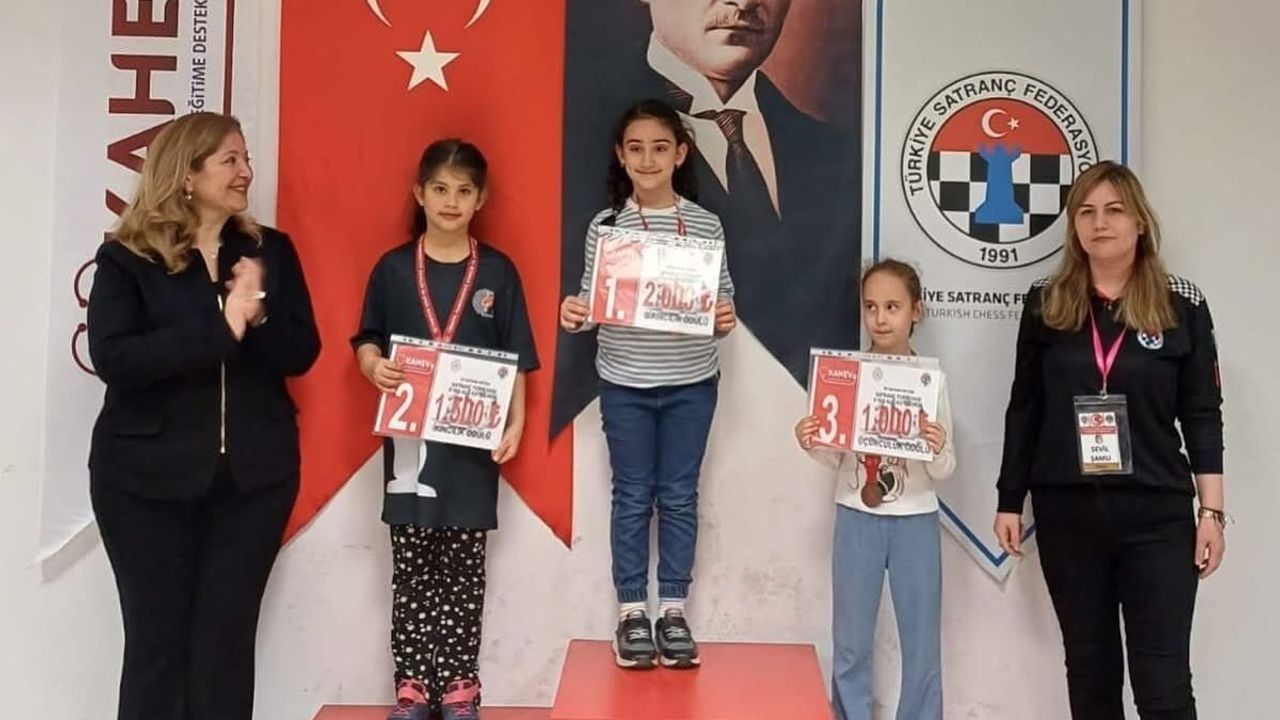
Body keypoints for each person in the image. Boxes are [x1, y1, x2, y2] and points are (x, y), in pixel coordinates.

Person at [86, 111, 320, 720]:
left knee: (225, 650)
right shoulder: (127, 257)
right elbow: (116, 358)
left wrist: (257, 314)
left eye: (246, 159)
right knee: (156, 649)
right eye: (230, 160)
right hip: (143, 483)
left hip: (253, 483)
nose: (246, 172)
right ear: (186, 176)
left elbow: (302, 352)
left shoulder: (270, 252)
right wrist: (221, 324)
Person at [553, 0, 860, 432]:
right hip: (630, 408)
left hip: (791, 440)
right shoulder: (567, 129)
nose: (744, 3)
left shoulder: (836, 155)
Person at [993, 161, 1226, 719]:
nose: (1100, 223)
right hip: (1068, 514)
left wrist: (1212, 513)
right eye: (1087, 212)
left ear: (1140, 222)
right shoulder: (1046, 302)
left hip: (1157, 517)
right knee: (1091, 676)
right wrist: (1009, 499)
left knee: (1163, 686)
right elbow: (1025, 408)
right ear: (1074, 226)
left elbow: (1202, 413)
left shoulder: (1182, 303)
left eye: (1115, 211)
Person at [352, 139, 539, 720]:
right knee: (411, 568)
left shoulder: (498, 272)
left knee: (463, 569)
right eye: (439, 189)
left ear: (480, 199)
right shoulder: (392, 268)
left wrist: (517, 422)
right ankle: (411, 684)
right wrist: (372, 365)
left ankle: (460, 684)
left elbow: (516, 356)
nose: (451, 201)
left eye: (463, 191)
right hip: (409, 445)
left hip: (471, 448)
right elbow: (366, 339)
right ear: (419, 194)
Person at [560, 99, 737, 670]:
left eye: (660, 148)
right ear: (621, 155)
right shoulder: (606, 226)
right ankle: (632, 611)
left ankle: (674, 610)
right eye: (635, 148)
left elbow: (722, 301)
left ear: (681, 154)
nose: (648, 159)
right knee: (633, 496)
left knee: (680, 496)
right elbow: (591, 301)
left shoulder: (705, 224)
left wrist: (723, 317)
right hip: (625, 383)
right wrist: (574, 313)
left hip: (691, 383)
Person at [794, 259, 955, 720]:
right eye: (871, 307)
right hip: (855, 514)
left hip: (916, 518)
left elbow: (946, 467)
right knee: (850, 642)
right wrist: (812, 440)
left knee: (921, 645)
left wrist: (936, 448)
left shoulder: (930, 381)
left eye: (892, 307)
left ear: (916, 311)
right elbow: (835, 457)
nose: (880, 318)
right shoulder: (847, 373)